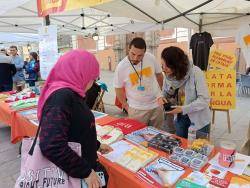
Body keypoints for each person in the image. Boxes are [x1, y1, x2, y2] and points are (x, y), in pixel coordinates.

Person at [38, 50, 112, 188]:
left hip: (82, 165)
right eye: (93, 78)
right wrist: (85, 172)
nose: (93, 83)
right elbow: (51, 145)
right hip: (74, 175)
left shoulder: (72, 93)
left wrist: (97, 145)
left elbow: (76, 129)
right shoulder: (61, 97)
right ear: (81, 72)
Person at [161, 46, 211, 139]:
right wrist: (162, 97)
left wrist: (183, 109)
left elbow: (204, 100)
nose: (164, 69)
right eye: (162, 65)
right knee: (182, 145)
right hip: (180, 118)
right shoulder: (169, 76)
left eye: (167, 66)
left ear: (176, 65)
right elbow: (165, 91)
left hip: (198, 120)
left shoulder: (196, 72)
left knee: (199, 148)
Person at [114, 37, 164, 128]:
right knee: (137, 137)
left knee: (157, 135)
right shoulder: (121, 67)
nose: (136, 58)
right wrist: (125, 106)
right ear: (128, 49)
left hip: (156, 107)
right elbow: (118, 88)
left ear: (144, 52)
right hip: (136, 109)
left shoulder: (151, 58)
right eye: (133, 54)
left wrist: (162, 93)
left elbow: (159, 75)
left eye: (140, 55)